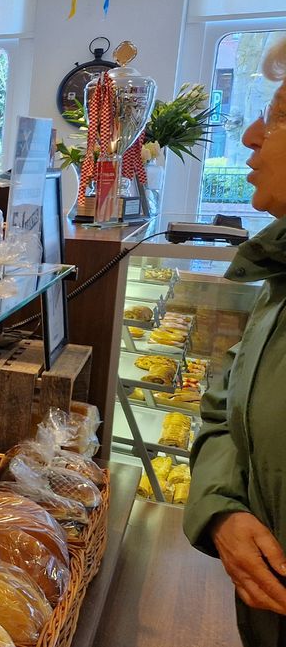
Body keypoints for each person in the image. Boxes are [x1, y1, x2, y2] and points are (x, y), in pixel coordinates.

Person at [185, 37, 286, 646]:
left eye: (275, 117)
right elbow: (224, 402)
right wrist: (221, 508)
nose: (249, 137)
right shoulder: (278, 278)